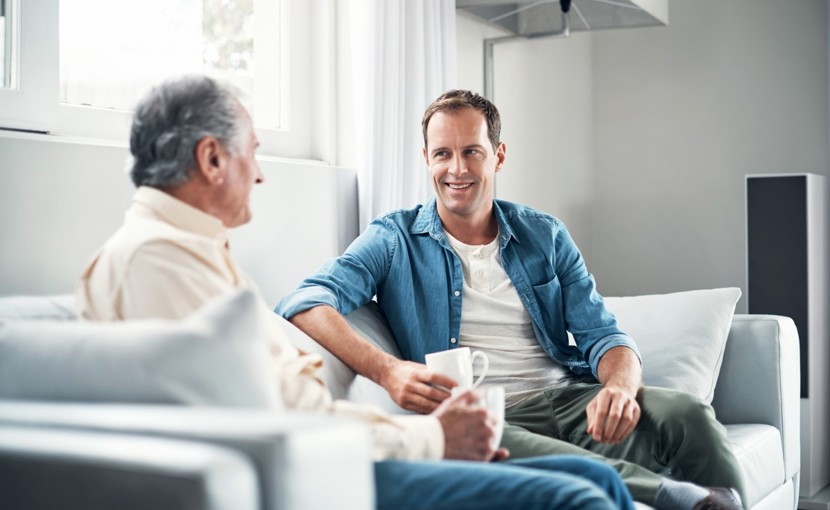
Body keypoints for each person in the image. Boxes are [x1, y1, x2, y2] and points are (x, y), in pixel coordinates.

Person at [76, 75, 636, 510]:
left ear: (497, 156)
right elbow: (282, 420)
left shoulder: (187, 251)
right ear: (212, 159)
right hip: (321, 470)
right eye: (253, 150)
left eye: (472, 152)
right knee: (580, 495)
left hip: (336, 452)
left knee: (593, 476)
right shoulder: (160, 262)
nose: (262, 174)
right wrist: (427, 437)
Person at [277, 89, 747, 510]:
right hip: (484, 411)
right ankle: (678, 497)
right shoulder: (393, 238)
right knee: (491, 436)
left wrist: (619, 391)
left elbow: (604, 335)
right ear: (426, 158)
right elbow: (306, 300)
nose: (456, 169)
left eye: (471, 152)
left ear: (498, 156)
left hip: (569, 399)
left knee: (688, 415)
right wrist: (387, 369)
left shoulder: (543, 234)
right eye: (442, 153)